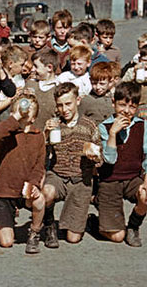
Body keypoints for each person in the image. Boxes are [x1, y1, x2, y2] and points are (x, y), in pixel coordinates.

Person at [97, 82, 147, 247]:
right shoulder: (104, 127)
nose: (126, 111)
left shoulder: (141, 125)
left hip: (132, 178)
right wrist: (113, 134)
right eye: (122, 105)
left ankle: (134, 225)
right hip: (110, 180)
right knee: (117, 236)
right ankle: (98, 222)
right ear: (114, 103)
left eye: (132, 107)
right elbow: (109, 159)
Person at [42, 83, 102, 246]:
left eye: (68, 103)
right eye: (60, 105)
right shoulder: (54, 125)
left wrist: (94, 156)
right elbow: (41, 152)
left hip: (81, 179)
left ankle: (88, 221)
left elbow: (101, 157)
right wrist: (45, 134)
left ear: (78, 100)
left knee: (73, 238)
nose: (64, 109)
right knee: (47, 192)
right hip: (58, 176)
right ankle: (49, 224)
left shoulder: (89, 125)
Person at [0, 95, 46, 254]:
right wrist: (16, 117)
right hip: (6, 189)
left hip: (25, 188)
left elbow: (39, 165)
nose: (24, 111)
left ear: (34, 117)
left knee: (40, 199)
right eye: (20, 108)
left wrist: (34, 184)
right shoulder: (8, 132)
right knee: (6, 242)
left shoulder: (38, 136)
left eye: (28, 111)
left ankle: (35, 232)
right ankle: (9, 221)